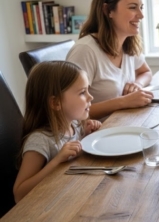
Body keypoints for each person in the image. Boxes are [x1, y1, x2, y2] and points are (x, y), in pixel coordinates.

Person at [13, 61, 102, 202]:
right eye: (82, 92)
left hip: (70, 195)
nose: (90, 97)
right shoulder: (40, 140)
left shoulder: (75, 125)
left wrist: (86, 134)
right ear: (55, 103)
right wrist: (57, 160)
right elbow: (19, 194)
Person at [67, 0, 154, 121]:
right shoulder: (85, 51)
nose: (141, 15)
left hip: (123, 124)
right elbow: (71, 112)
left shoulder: (128, 43)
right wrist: (124, 102)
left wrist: (137, 84)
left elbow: (145, 72)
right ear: (108, 11)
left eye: (141, 7)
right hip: (95, 135)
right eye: (133, 7)